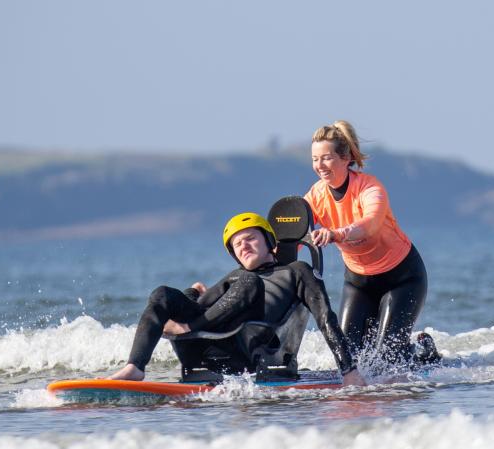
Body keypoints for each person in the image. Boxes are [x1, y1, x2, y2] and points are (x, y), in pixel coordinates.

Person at [109, 212, 366, 386]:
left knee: (248, 280)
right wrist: (191, 294)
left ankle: (189, 330)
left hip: (253, 348)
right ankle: (135, 367)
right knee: (162, 294)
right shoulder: (235, 278)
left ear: (269, 242)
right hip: (209, 345)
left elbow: (325, 318)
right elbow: (199, 308)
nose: (243, 245)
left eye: (250, 238)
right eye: (236, 244)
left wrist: (348, 370)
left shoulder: (297, 271)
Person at [304, 120, 436, 370]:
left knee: (388, 361)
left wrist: (336, 234)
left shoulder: (369, 187)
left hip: (402, 280)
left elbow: (370, 224)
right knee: (348, 359)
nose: (320, 166)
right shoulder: (316, 195)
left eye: (327, 158)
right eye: (315, 159)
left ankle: (425, 353)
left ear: (346, 158)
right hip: (359, 283)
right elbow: (296, 231)